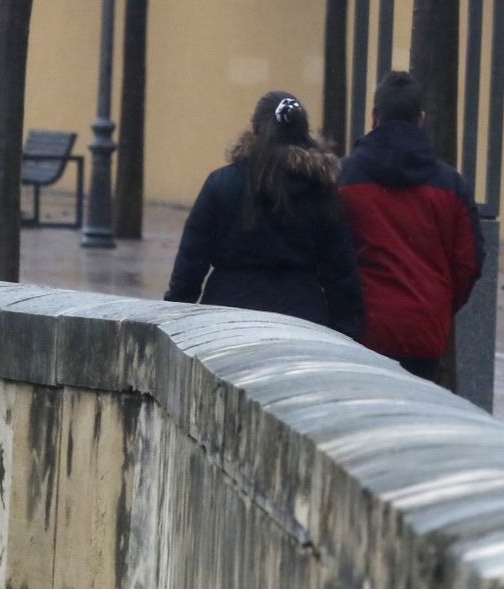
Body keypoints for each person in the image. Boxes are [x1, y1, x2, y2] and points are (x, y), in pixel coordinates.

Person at [166, 91, 364, 336]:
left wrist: (174, 317)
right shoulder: (320, 190)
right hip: (301, 318)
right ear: (304, 133)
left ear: (255, 129)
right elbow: (340, 270)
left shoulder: (222, 183)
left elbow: (191, 261)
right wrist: (347, 329)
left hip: (227, 315)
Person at [339, 71, 484, 383]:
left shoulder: (344, 177)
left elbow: (329, 251)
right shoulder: (451, 185)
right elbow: (469, 263)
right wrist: (439, 305)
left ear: (375, 116)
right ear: (421, 119)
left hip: (363, 326)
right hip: (425, 329)